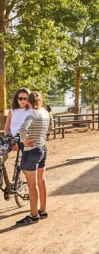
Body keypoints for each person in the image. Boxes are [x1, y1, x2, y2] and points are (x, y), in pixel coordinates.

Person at [15, 91, 51, 226]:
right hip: (42, 148)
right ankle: (43, 210)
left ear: (28, 102)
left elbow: (23, 129)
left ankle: (33, 215)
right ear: (40, 101)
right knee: (41, 181)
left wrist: (24, 141)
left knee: (32, 185)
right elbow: (50, 128)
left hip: (31, 151)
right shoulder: (45, 112)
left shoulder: (32, 114)